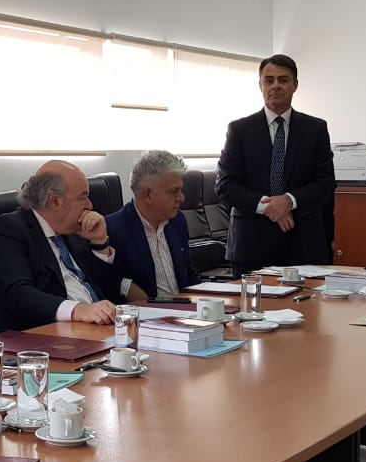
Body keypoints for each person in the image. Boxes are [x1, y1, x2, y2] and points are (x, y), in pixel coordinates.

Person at [215, 54, 335, 273]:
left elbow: (326, 184)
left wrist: (289, 201)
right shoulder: (239, 130)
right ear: (260, 85)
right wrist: (270, 207)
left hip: (303, 243)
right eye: (269, 80)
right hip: (251, 244)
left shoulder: (315, 129)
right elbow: (225, 185)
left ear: (295, 85)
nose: (275, 86)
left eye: (283, 80)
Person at [0, 160, 128, 331]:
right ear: (54, 201)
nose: (89, 205)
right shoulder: (9, 229)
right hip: (43, 336)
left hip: (99, 329)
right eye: (83, 197)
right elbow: (17, 294)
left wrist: (99, 243)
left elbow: (107, 290)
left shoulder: (72, 231)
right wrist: (78, 310)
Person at [106, 150, 201, 299]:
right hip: (148, 312)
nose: (181, 198)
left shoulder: (177, 221)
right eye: (174, 191)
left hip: (185, 308)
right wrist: (125, 286)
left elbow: (189, 273)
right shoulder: (113, 230)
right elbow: (104, 279)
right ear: (148, 195)